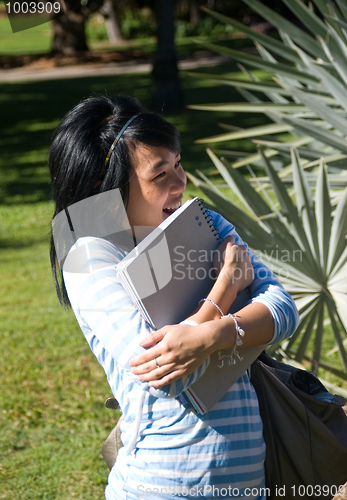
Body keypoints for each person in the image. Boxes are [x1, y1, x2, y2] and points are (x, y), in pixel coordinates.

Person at [48, 94, 299, 500]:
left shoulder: (205, 223)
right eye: (159, 173)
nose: (180, 182)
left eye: (178, 164)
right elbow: (166, 376)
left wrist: (210, 337)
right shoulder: (90, 257)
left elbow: (283, 310)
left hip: (249, 484)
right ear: (104, 187)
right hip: (161, 485)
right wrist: (225, 292)